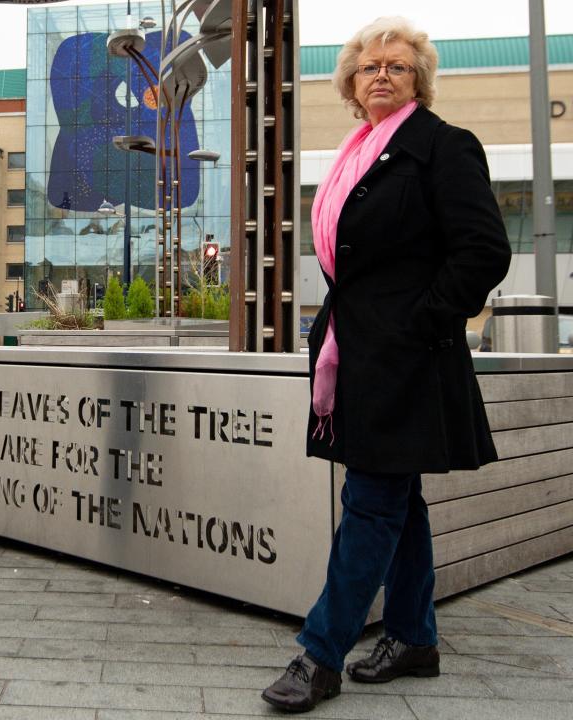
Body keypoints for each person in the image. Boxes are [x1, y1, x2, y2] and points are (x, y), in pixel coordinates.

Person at [261, 17, 511, 713]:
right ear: (350, 83)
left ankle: (319, 654)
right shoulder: (357, 153)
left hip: (406, 358)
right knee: (398, 498)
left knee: (370, 500)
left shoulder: (441, 147)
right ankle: (413, 636)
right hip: (358, 352)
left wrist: (421, 321)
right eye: (369, 67)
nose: (381, 76)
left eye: (397, 68)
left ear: (418, 81)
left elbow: (484, 251)